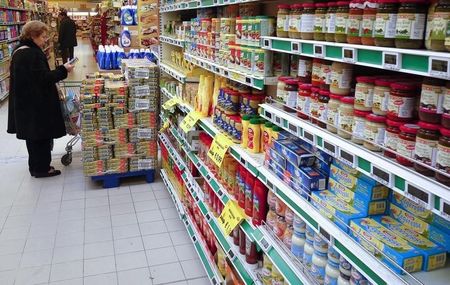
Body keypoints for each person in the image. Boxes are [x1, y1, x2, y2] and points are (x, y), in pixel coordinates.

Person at [7, 21, 75, 178]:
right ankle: (42, 169)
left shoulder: (20, 50)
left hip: (26, 103)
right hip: (35, 105)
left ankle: (36, 166)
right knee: (40, 136)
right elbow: (43, 78)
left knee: (33, 137)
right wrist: (63, 69)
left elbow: (34, 76)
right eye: (43, 37)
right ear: (33, 35)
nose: (46, 40)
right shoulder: (31, 54)